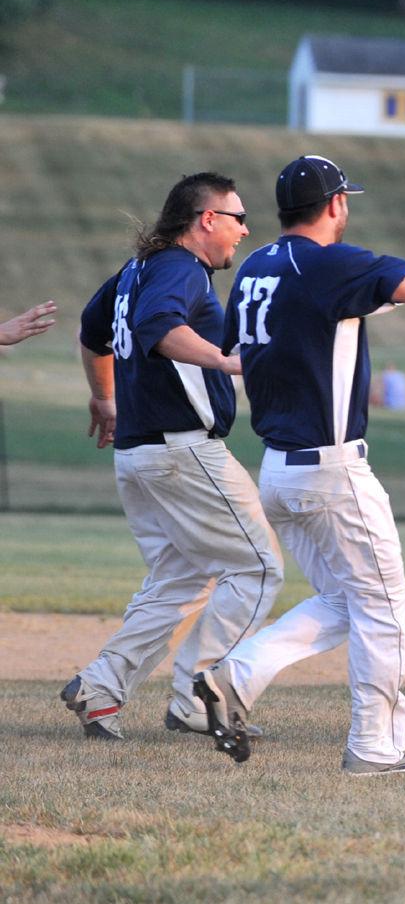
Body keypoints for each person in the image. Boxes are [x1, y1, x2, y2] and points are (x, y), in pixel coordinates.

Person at [193, 154, 405, 777]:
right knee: (383, 605)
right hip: (333, 469)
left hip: (279, 469)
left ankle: (234, 678)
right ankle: (374, 748)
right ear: (336, 205)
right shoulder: (330, 263)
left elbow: (250, 347)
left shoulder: (259, 267)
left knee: (346, 601)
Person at [66, 173, 283, 740]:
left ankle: (102, 686)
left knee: (180, 580)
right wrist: (225, 361)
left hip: (139, 455)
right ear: (206, 219)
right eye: (237, 217)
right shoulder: (181, 269)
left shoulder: (138, 270)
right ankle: (195, 699)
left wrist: (104, 397)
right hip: (182, 452)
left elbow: (93, 334)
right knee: (258, 569)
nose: (245, 228)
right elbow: (156, 326)